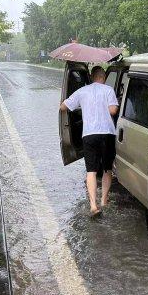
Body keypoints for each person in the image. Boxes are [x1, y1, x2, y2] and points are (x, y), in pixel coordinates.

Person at [60, 66, 119, 216]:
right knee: (107, 169)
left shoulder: (82, 91)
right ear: (103, 77)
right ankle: (104, 200)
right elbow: (113, 111)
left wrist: (82, 106)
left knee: (91, 171)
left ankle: (93, 205)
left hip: (89, 134)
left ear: (92, 77)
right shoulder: (108, 90)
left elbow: (63, 107)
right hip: (107, 133)